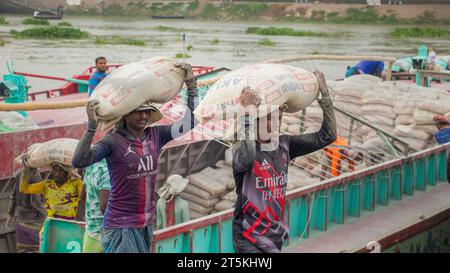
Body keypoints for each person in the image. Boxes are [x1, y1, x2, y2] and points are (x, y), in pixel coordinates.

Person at [72, 63, 198, 253]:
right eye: (138, 111)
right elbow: (80, 161)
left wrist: (192, 86)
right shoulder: (112, 142)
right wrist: (91, 127)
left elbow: (190, 122)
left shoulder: (157, 135)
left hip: (146, 223)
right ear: (125, 115)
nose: (144, 115)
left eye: (147, 111)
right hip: (120, 225)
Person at [231, 70, 337, 253]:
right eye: (267, 120)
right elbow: (248, 156)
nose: (274, 126)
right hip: (248, 237)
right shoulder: (242, 150)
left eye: (278, 118)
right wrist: (246, 113)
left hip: (275, 234)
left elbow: (327, 136)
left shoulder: (285, 145)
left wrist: (325, 96)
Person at [6, 169, 46, 253]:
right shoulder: (35, 175)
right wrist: (46, 215)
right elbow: (35, 202)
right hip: (33, 222)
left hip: (20, 220)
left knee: (23, 250)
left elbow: (13, 197)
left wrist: (10, 215)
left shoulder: (19, 173)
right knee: (36, 249)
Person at [81, 159, 110, 253]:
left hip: (90, 229)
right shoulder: (108, 170)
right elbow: (104, 207)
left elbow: (82, 195)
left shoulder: (91, 166)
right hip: (103, 232)